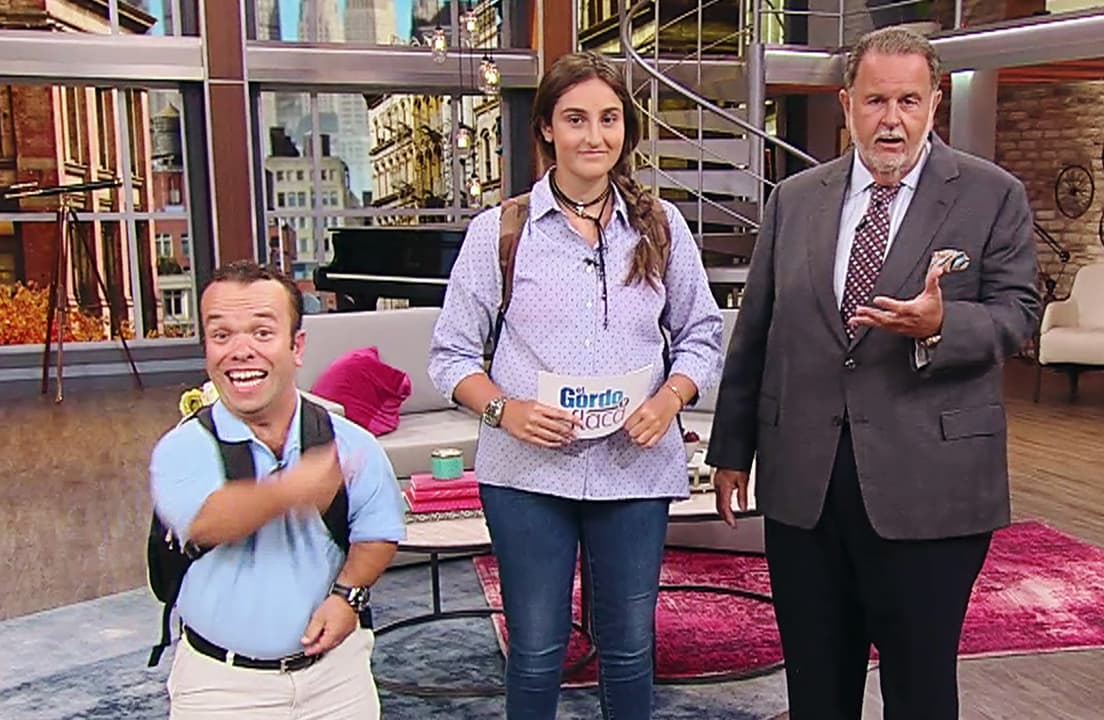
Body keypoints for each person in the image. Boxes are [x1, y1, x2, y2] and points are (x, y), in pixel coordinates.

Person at [706, 27, 1040, 720]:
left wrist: (942, 325)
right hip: (806, 488)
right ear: (847, 104)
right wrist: (732, 449)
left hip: (932, 489)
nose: (892, 120)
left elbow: (1019, 313)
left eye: (909, 101)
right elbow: (758, 331)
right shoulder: (795, 199)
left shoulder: (991, 194)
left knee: (919, 691)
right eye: (876, 101)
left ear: (935, 103)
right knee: (817, 689)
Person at [429, 50, 723, 720]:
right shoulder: (500, 232)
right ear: (546, 129)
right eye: (576, 119)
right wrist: (504, 411)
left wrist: (670, 399)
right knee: (537, 650)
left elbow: (703, 335)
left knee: (630, 649)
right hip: (527, 474)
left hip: (635, 469)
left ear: (626, 129)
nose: (595, 135)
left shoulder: (662, 227)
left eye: (609, 119)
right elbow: (450, 356)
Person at [150, 261, 405, 719]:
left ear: (297, 346)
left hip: (337, 678)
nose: (240, 351)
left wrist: (348, 594)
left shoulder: (352, 443)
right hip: (220, 687)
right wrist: (291, 489)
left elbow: (378, 531)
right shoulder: (181, 448)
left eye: (262, 333)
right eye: (221, 335)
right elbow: (208, 523)